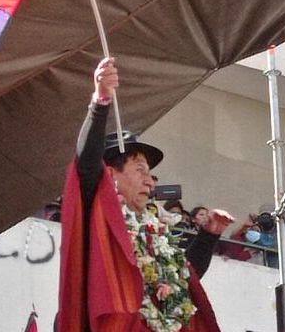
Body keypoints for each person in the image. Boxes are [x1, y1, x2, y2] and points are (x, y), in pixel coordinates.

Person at [58, 57, 230, 332]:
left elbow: (186, 277)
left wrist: (209, 236)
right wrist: (100, 102)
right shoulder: (99, 212)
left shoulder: (155, 228)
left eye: (149, 173)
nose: (150, 181)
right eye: (139, 169)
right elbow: (86, 165)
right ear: (111, 174)